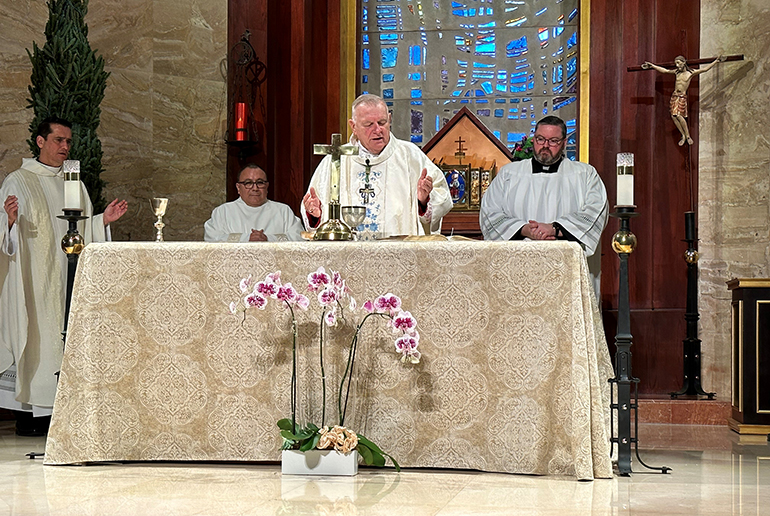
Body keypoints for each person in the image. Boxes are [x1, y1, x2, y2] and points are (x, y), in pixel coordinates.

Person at [0, 117, 128, 436]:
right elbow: (7, 238)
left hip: (67, 280)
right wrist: (11, 223)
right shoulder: (18, 180)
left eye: (68, 142)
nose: (64, 147)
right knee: (38, 340)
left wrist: (102, 221)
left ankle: (65, 413)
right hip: (33, 280)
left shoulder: (74, 183)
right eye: (58, 140)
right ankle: (31, 415)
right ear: (40, 142)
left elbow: (81, 231)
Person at [479, 115, 608, 296]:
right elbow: (490, 213)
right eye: (540, 139)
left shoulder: (585, 175)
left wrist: (555, 229)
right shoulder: (509, 174)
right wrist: (524, 230)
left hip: (566, 270)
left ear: (564, 143)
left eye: (553, 141)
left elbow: (596, 212)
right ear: (534, 139)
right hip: (518, 267)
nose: (545, 145)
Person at [301, 94, 452, 237]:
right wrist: (315, 215)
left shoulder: (410, 156)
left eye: (382, 122)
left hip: (397, 257)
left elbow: (442, 197)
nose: (378, 130)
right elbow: (314, 215)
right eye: (368, 124)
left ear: (389, 119)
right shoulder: (334, 161)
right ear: (353, 126)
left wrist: (423, 201)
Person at [204, 164, 304, 242]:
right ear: (238, 188)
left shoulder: (283, 211)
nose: (255, 188)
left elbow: (299, 238)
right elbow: (212, 238)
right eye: (248, 183)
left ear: (267, 186)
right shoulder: (223, 212)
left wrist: (267, 239)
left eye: (260, 183)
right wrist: (247, 238)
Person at [641, 55, 725, 146]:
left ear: (684, 62)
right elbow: (665, 70)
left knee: (679, 116)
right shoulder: (677, 72)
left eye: (679, 63)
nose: (677, 65)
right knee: (673, 116)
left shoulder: (691, 73)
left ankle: (688, 136)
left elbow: (704, 69)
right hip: (674, 96)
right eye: (676, 63)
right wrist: (653, 66)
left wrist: (716, 61)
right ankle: (683, 135)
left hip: (681, 96)